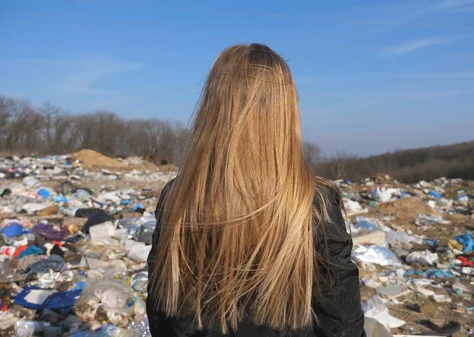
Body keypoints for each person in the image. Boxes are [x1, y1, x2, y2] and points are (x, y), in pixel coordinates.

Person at [147, 43, 365, 337]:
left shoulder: (179, 196)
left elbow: (161, 308)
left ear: (213, 107)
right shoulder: (313, 202)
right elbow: (341, 319)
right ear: (286, 111)